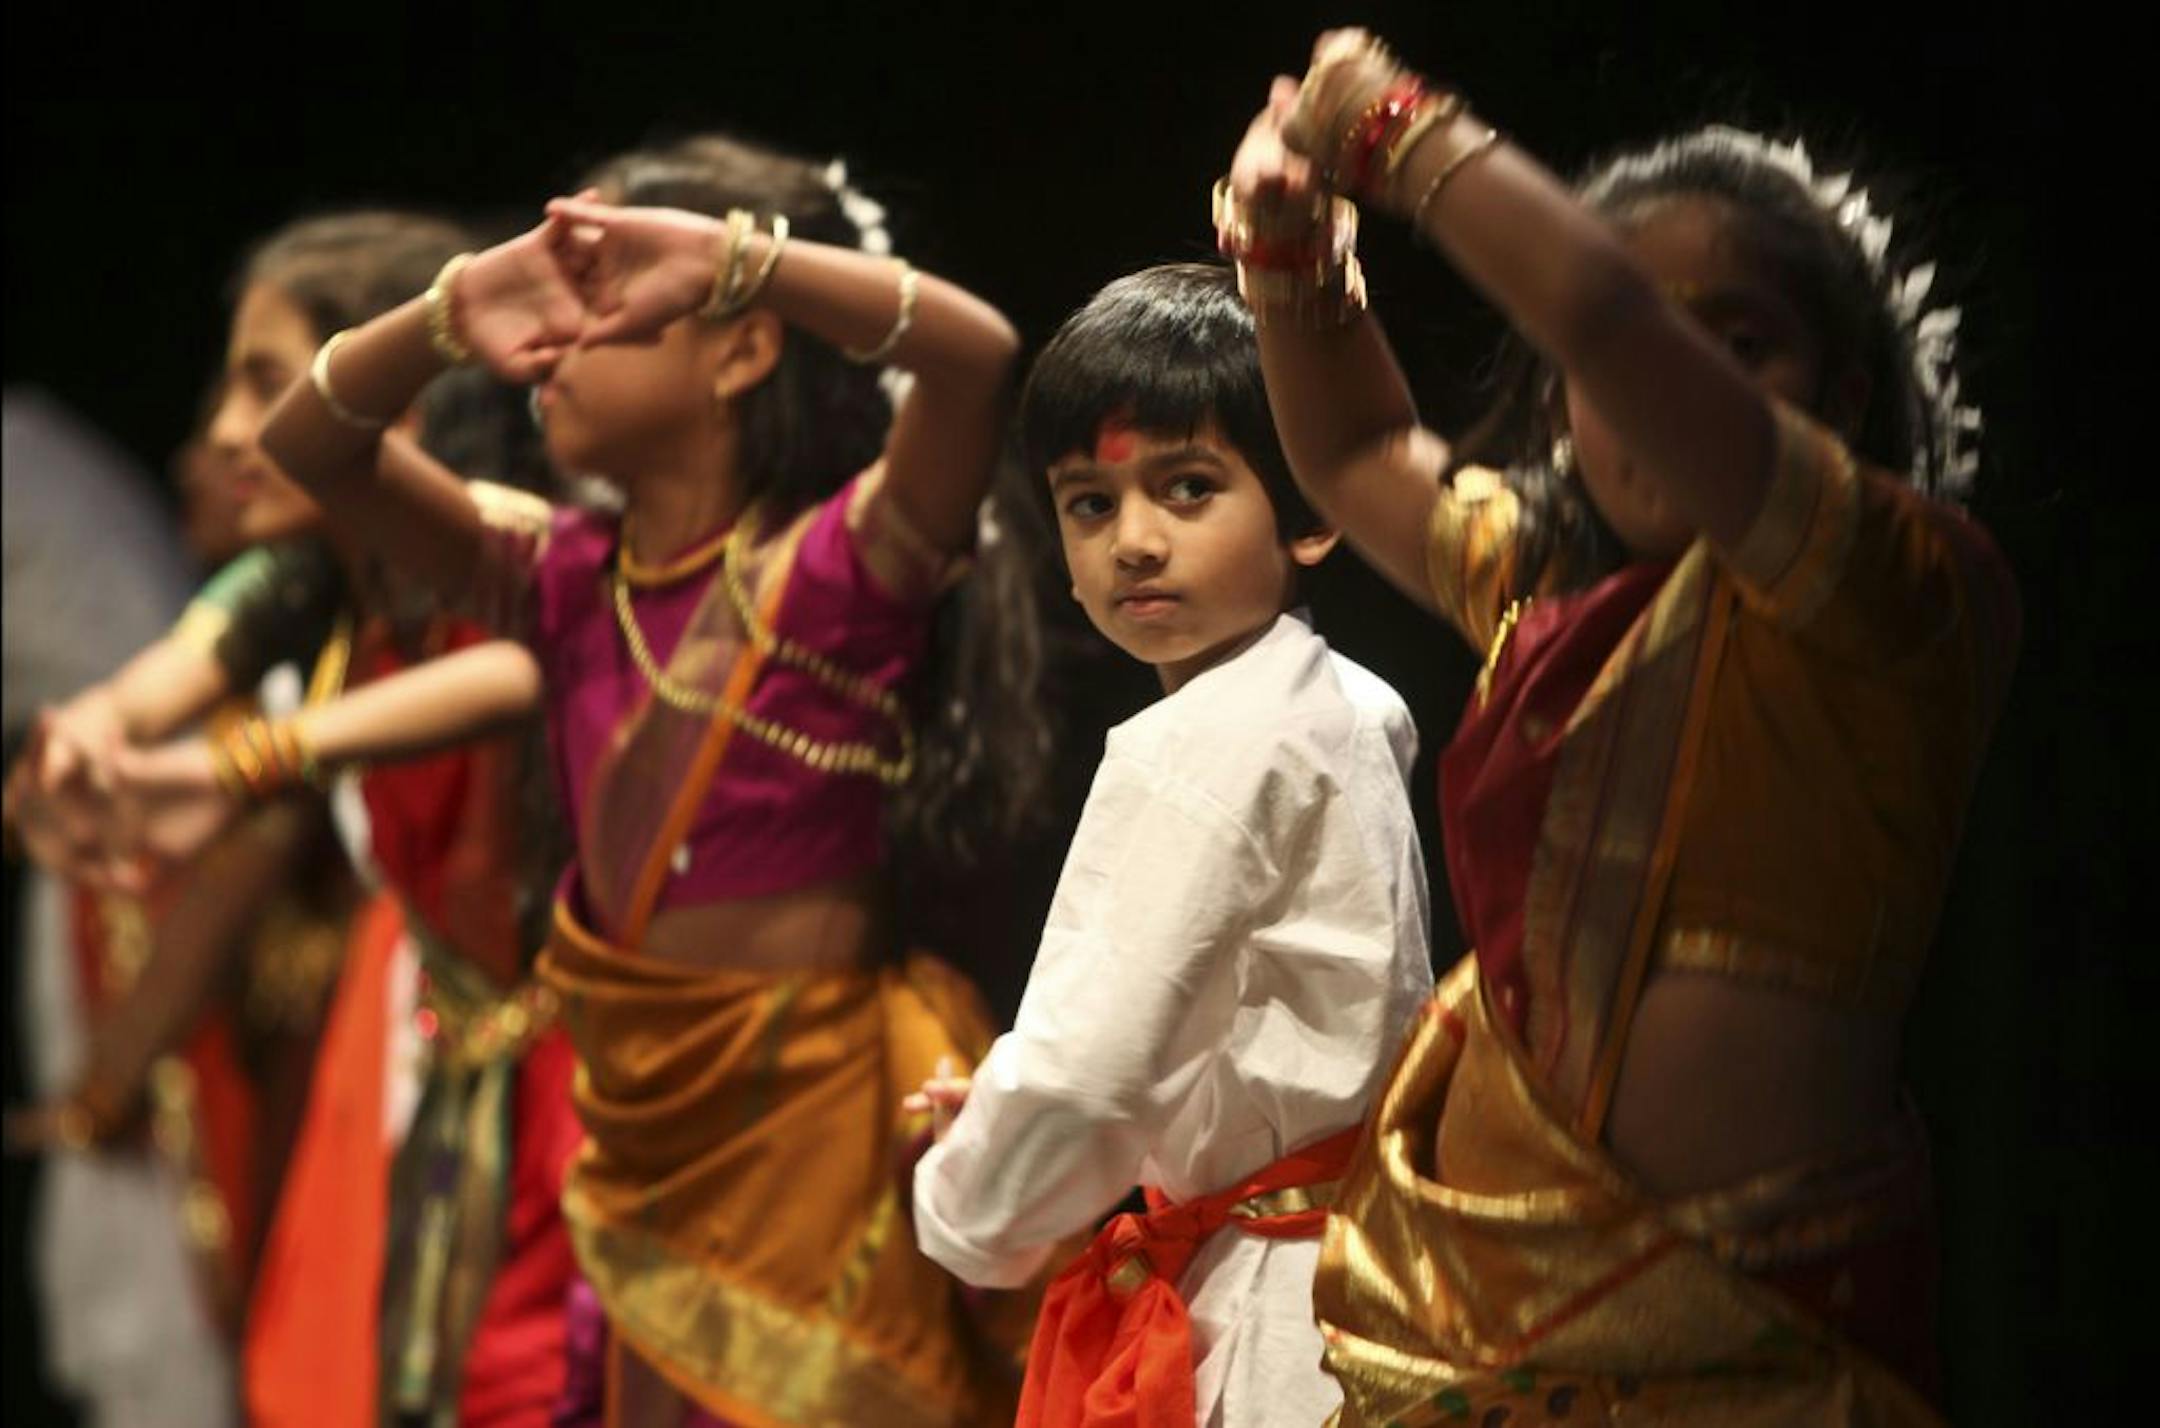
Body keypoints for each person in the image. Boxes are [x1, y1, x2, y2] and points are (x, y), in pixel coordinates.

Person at [1219, 31, 2018, 1425]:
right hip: (1468, 1322)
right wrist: (1295, 269)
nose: (1662, 381)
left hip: (1748, 1354)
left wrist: (1405, 129)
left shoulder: (1904, 601)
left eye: (1740, 342)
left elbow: (1608, 324)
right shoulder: (1551, 593)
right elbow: (1355, 458)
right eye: (1641, 347)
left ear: (1836, 398)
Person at [232, 135, 1050, 1426]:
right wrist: (454, 310)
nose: (557, 342)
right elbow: (314, 444)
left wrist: (742, 260)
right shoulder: (557, 580)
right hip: (633, 1153)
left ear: (739, 347)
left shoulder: (842, 574)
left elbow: (976, 356)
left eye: (604, 310)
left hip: (809, 1154)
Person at [5, 210, 579, 1428]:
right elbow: (155, 684)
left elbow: (517, 673)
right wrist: (84, 751)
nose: (222, 433)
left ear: (396, 406)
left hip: (581, 1069)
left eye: (263, 384)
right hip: (442, 1035)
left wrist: (243, 769)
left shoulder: (501, 549)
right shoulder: (307, 580)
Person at [909, 263, 1434, 1428]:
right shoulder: (1344, 703)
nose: (1134, 540)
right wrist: (1005, 1102)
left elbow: (1089, 1074)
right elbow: (1209, 1032)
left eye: (1187, 488)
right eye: (1091, 503)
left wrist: (964, 1204)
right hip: (1371, 1282)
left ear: (1311, 511)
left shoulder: (1202, 744)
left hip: (1272, 1319)